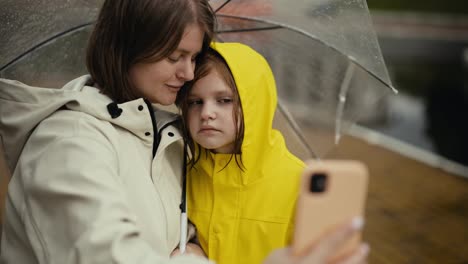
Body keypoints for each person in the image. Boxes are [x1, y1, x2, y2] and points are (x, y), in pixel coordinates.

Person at [0, 0, 367, 263]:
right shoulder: (68, 144)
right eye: (175, 57)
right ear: (126, 48)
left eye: (193, 58)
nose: (189, 75)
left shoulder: (163, 138)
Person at [176, 42, 370, 264]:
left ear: (255, 102)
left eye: (224, 100)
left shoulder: (298, 184)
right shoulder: (182, 176)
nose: (206, 113)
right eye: (195, 102)